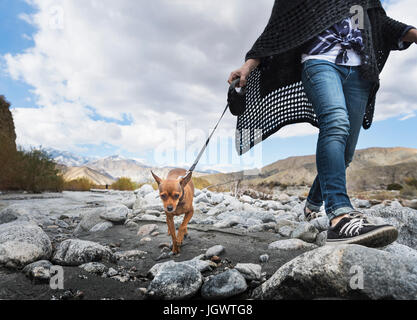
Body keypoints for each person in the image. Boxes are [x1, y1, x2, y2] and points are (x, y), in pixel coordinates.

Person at [228, 0, 416, 247]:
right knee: (336, 123)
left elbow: (380, 24)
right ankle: (340, 216)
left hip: (360, 71)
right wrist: (248, 64)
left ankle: (313, 203)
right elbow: (276, 30)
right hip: (320, 61)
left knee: (346, 154)